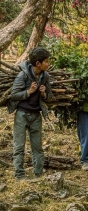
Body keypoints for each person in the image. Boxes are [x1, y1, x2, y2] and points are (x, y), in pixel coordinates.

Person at [8, 47, 53, 180]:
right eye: (46, 61)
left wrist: (44, 93)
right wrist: (29, 92)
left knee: (37, 146)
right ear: (38, 63)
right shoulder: (23, 75)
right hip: (21, 114)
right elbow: (14, 95)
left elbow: (50, 96)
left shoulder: (45, 76)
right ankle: (19, 174)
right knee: (19, 146)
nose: (48, 64)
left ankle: (38, 173)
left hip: (36, 115)